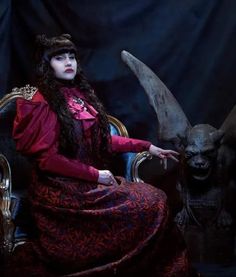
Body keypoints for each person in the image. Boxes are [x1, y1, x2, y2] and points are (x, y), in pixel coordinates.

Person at [8, 34, 197, 276]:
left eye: (71, 57)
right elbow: (48, 160)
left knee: (156, 199)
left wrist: (146, 146)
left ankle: (139, 265)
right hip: (58, 189)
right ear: (47, 64)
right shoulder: (41, 102)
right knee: (152, 202)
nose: (69, 63)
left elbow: (103, 141)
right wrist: (95, 175)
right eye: (59, 58)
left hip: (86, 183)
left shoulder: (79, 95)